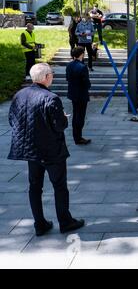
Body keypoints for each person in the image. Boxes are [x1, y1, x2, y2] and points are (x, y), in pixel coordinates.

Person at [8, 63, 85, 236]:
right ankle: (65, 222)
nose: (52, 77)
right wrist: (64, 118)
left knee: (35, 187)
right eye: (51, 74)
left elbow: (12, 120)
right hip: (52, 151)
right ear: (45, 77)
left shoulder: (19, 95)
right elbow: (59, 126)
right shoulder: (51, 97)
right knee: (59, 186)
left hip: (30, 151)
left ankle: (39, 224)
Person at [66, 47, 92, 145]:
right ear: (81, 54)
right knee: (80, 116)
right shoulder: (82, 67)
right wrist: (88, 85)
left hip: (73, 93)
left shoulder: (69, 65)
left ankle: (76, 137)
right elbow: (86, 82)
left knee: (75, 114)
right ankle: (79, 138)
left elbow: (68, 78)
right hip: (81, 94)